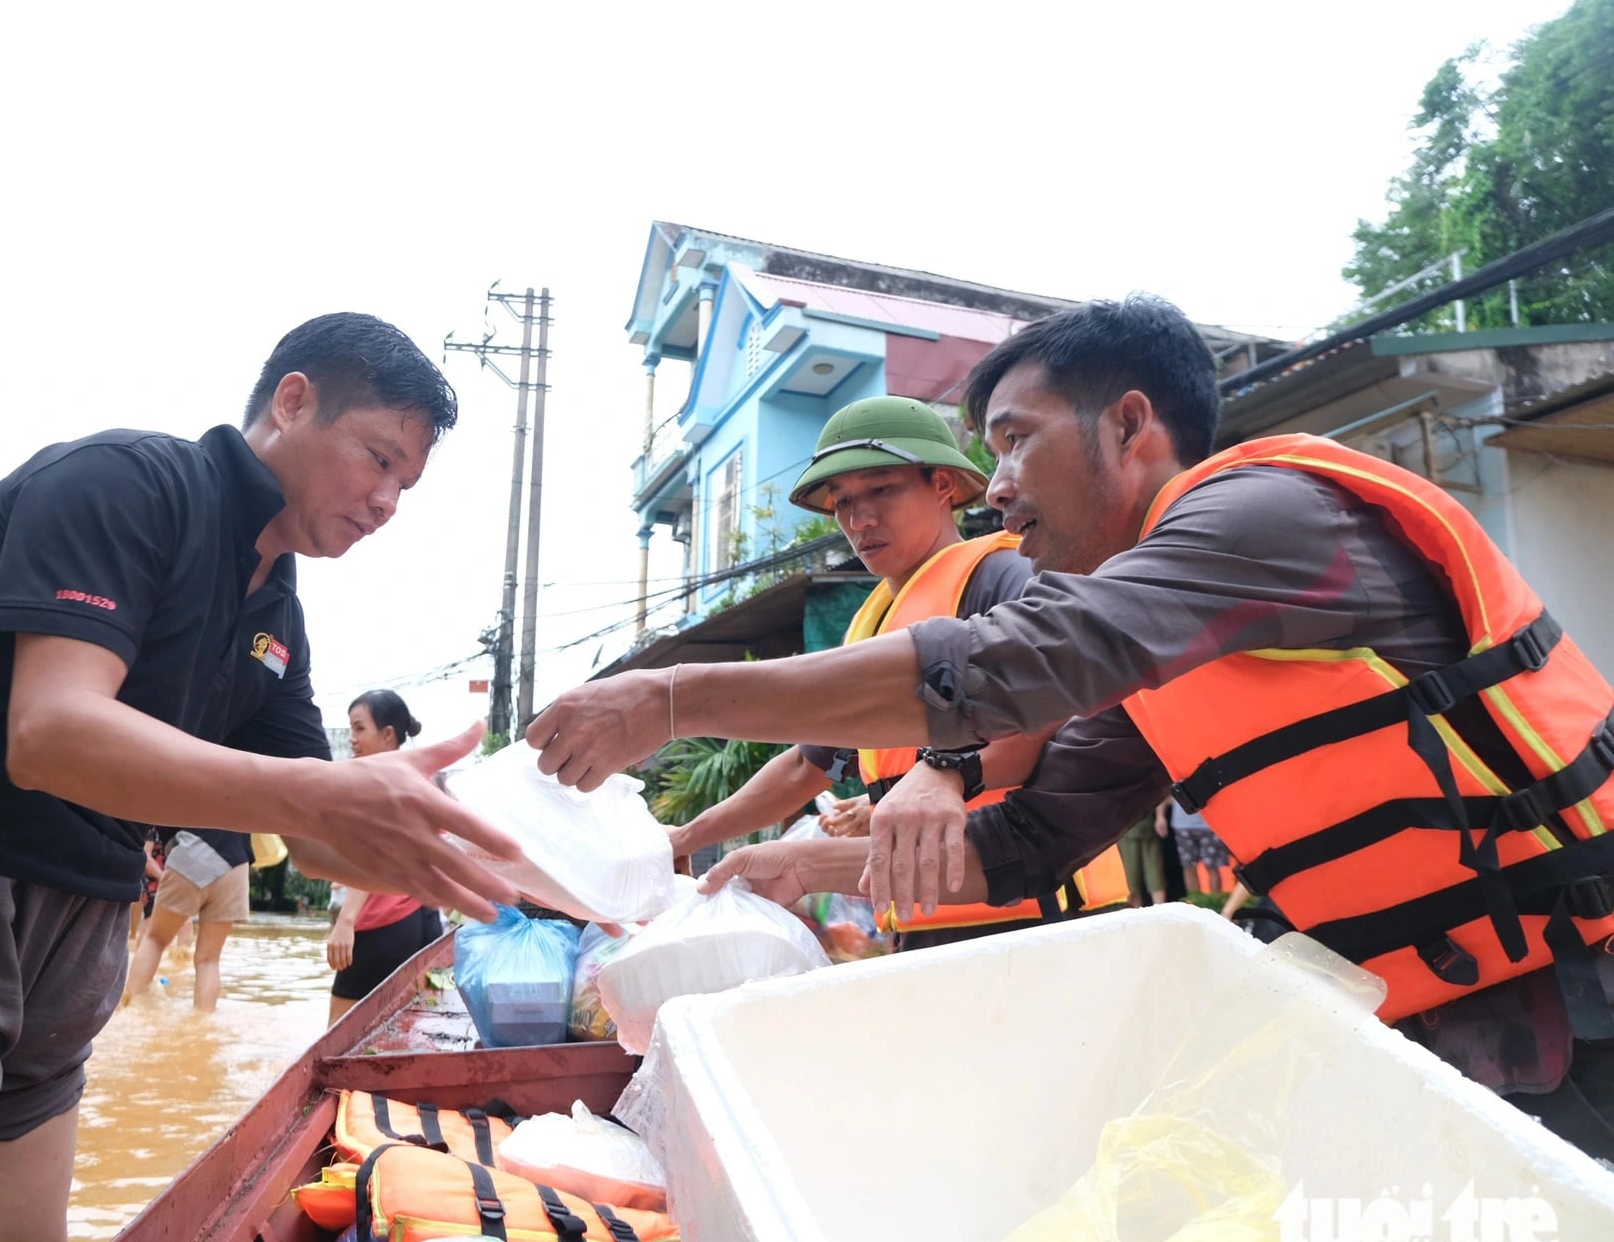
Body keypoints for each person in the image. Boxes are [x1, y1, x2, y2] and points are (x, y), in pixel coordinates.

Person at [527, 295, 1614, 1161]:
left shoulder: (1260, 516)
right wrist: (791, 861)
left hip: (1583, 988)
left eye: (1012, 441)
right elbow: (1027, 843)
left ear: (1131, 425)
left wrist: (668, 698)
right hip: (1439, 1020)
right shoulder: (1159, 643)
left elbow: (1011, 660)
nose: (998, 487)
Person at [0, 312, 522, 1242]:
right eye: (376, 459)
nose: (384, 501)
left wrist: (475, 832)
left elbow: (318, 833)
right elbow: (52, 730)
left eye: (404, 485)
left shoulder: (273, 613)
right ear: (291, 402)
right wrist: (320, 789)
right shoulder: (127, 485)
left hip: (69, 926)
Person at [661, 395, 1126, 949]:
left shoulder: (1001, 575)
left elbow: (1044, 716)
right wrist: (687, 836)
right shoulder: (871, 623)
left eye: (882, 490)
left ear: (943, 486)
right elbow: (806, 766)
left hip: (1031, 908)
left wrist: (948, 773)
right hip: (924, 918)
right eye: (842, 502)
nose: (860, 519)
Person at [326, 690, 445, 1022]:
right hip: (423, 922)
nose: (352, 739)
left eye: (360, 728)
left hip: (381, 921)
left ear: (388, 734)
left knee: (334, 1037)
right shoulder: (423, 780)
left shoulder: (383, 782)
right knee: (409, 1029)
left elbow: (374, 855)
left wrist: (346, 921)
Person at [124, 828, 252, 1011]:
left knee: (155, 939)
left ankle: (130, 1008)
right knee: (209, 959)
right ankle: (203, 1024)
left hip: (192, 849)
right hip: (237, 865)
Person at [1116, 810, 1166, 907]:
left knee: (1154, 875)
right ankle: (1135, 913)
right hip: (1127, 830)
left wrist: (1160, 816)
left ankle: (1160, 911)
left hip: (1145, 827)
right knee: (1131, 880)